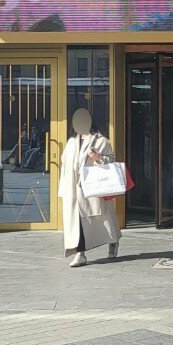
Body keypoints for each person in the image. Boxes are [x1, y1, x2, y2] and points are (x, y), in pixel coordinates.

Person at [58, 108, 121, 268]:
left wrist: (98, 158)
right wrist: (63, 188)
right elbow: (65, 166)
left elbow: (111, 160)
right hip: (74, 190)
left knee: (104, 219)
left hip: (93, 188)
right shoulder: (71, 142)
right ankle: (80, 253)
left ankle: (113, 240)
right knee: (77, 223)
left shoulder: (101, 141)